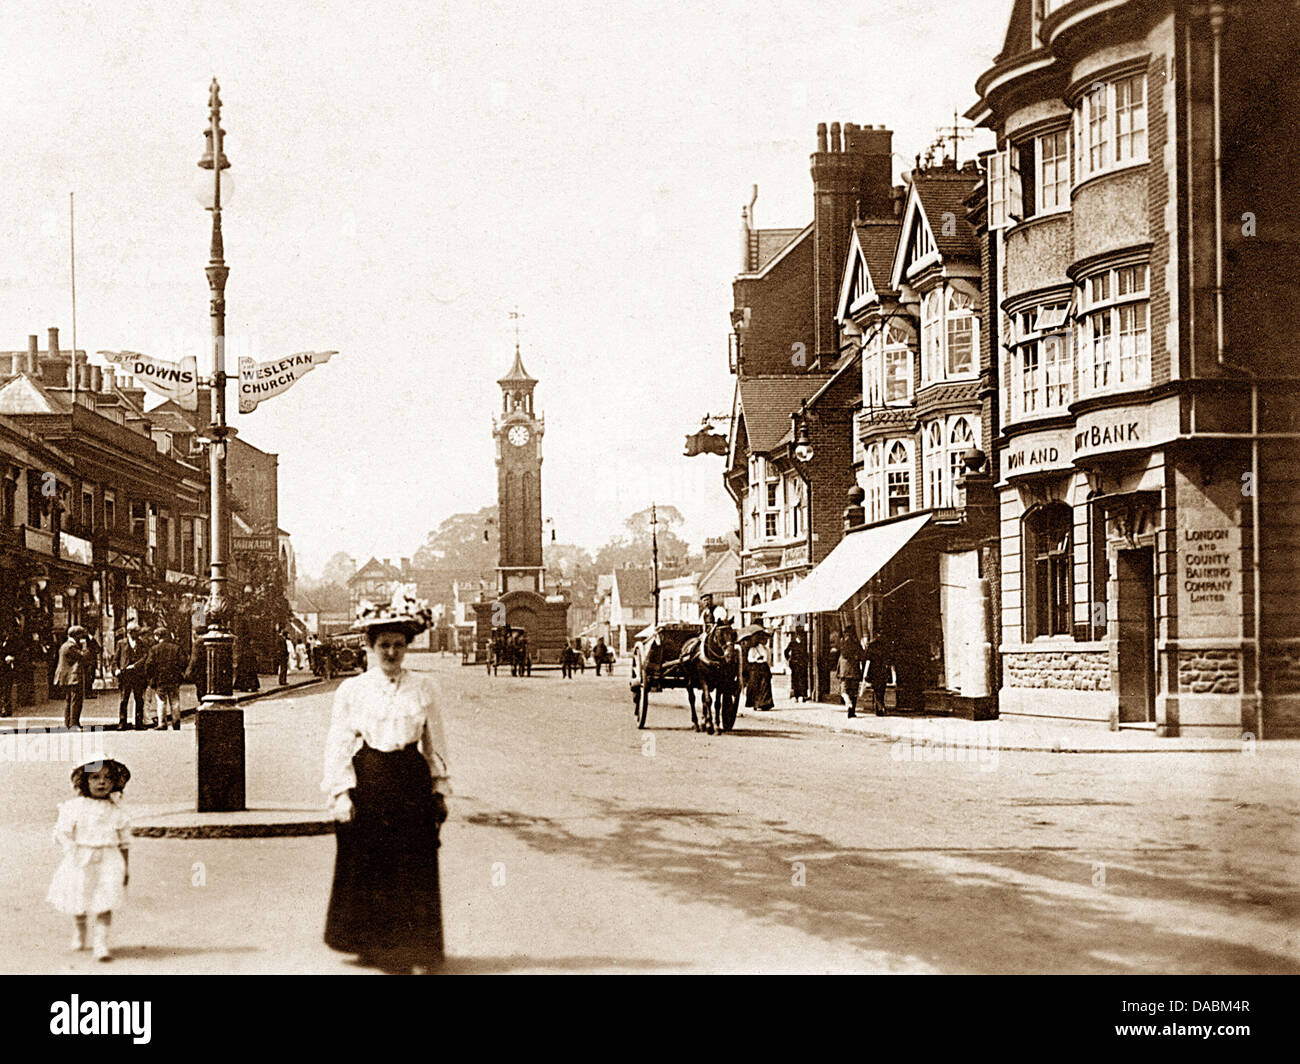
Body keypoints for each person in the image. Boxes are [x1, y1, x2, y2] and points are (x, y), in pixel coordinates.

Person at [322, 589, 448, 974]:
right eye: (383, 646)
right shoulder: (353, 689)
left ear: (407, 646)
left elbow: (435, 742)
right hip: (371, 779)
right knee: (371, 861)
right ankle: (372, 942)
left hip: (410, 780)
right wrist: (341, 793)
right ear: (371, 647)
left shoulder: (424, 687)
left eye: (398, 645)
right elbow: (339, 743)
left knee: (412, 861)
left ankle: (414, 944)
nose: (391, 652)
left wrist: (439, 789)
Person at [47, 756, 132, 962]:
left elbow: (124, 843)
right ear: (85, 781)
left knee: (106, 900)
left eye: (107, 778)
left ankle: (101, 943)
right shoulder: (74, 807)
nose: (102, 782)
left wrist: (125, 868)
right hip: (81, 858)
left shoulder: (117, 811)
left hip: (108, 859)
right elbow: (62, 832)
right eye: (95, 777)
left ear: (114, 783)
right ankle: (80, 931)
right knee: (79, 897)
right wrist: (70, 847)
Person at [146, 627, 185, 730]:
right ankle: (176, 723)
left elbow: (149, 665)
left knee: (161, 701)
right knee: (175, 701)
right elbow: (183, 662)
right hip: (173, 679)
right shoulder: (176, 648)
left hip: (160, 679)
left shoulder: (154, 649)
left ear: (158, 636)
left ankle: (162, 723)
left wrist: (151, 678)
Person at [53, 626, 91, 730]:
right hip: (72, 677)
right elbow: (83, 656)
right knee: (75, 701)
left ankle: (69, 723)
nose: (82, 638)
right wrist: (84, 647)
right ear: (76, 635)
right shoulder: (71, 646)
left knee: (69, 700)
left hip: (67, 678)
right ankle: (74, 724)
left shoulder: (65, 645)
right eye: (81, 635)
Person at [114, 624, 150, 730]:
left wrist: (135, 665)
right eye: (134, 632)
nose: (136, 634)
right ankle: (122, 722)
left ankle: (139, 723)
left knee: (139, 699)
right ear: (129, 632)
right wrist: (115, 669)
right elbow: (115, 659)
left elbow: (145, 657)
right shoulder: (121, 643)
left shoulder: (142, 643)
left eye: (136, 632)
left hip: (138, 675)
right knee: (123, 699)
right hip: (125, 675)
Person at [837, 627, 864, 718]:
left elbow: (840, 657)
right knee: (854, 692)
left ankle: (847, 701)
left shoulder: (842, 643)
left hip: (844, 672)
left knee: (844, 690)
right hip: (854, 671)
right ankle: (851, 712)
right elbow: (862, 656)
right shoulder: (856, 644)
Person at [745, 632, 775, 710]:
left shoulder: (767, 649)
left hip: (764, 668)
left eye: (766, 639)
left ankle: (766, 703)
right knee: (757, 686)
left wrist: (768, 668)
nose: (765, 641)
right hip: (756, 668)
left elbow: (768, 660)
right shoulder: (754, 649)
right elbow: (750, 659)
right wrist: (756, 658)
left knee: (765, 686)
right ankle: (756, 704)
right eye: (764, 639)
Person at [865, 634, 893, 716]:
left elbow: (867, 659)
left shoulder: (871, 645)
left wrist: (865, 673)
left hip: (874, 671)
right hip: (883, 670)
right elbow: (889, 659)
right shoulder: (886, 645)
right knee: (881, 689)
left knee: (876, 689)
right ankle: (880, 706)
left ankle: (879, 706)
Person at [784, 626, 809, 702]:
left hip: (802, 664)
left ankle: (802, 695)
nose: (801, 637)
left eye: (802, 635)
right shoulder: (792, 643)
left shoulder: (804, 644)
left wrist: (806, 661)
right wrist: (788, 659)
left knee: (802, 679)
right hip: (794, 664)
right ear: (797, 635)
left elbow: (806, 654)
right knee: (795, 680)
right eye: (800, 635)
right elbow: (786, 651)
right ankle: (796, 695)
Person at [184, 629, 208, 702]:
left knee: (202, 691)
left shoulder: (198, 643)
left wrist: (189, 670)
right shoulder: (209, 640)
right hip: (210, 670)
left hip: (200, 670)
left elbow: (195, 658)